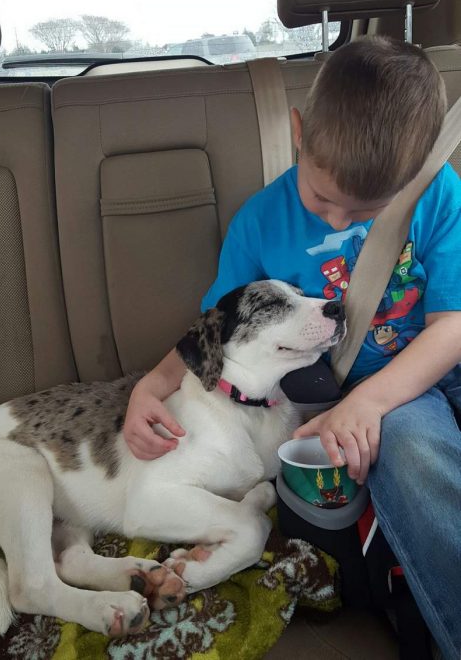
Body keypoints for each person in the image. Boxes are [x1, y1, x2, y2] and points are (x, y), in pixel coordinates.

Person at [123, 36, 461, 660]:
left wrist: (373, 401)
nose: (338, 221)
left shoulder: (437, 195)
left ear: (412, 176)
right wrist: (152, 384)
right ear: (298, 132)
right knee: (416, 454)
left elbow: (451, 325)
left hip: (428, 366)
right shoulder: (258, 222)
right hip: (364, 398)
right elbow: (216, 330)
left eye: (367, 210)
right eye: (323, 199)